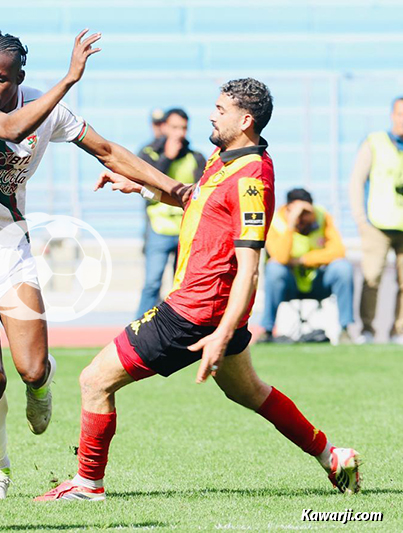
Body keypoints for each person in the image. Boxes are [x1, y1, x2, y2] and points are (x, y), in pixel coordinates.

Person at [36, 78, 361, 502]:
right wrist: (145, 186)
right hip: (215, 312)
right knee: (251, 392)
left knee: (94, 381)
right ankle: (332, 457)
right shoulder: (225, 157)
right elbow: (197, 199)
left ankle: (88, 484)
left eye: (220, 109)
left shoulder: (251, 179)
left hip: (196, 313)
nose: (211, 114)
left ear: (245, 120)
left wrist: (221, 334)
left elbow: (250, 267)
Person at [0, 28, 189, 501]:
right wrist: (69, 79)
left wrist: (177, 192)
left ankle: (42, 383)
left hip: (8, 245)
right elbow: (10, 130)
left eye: (1, 79)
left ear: (20, 77)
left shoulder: (50, 111)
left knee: (29, 371)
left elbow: (108, 151)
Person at [260, 188, 354, 344]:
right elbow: (281, 257)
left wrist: (303, 260)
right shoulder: (275, 222)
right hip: (289, 283)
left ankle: (346, 330)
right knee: (274, 268)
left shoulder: (322, 217)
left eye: (306, 212)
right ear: (288, 208)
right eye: (299, 213)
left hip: (318, 281)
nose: (303, 218)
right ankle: (267, 330)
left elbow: (338, 251)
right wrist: (291, 224)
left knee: (342, 268)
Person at [136, 108, 205, 317]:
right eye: (175, 127)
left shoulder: (196, 157)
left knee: (182, 284)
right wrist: (167, 156)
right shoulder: (148, 152)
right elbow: (145, 181)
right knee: (152, 282)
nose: (180, 133)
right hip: (158, 229)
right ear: (164, 127)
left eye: (183, 128)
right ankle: (137, 330)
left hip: (186, 229)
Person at [349, 96, 403, 345]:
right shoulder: (375, 142)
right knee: (372, 277)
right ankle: (367, 331)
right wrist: (361, 219)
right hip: (377, 223)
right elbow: (357, 181)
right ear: (392, 115)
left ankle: (399, 332)